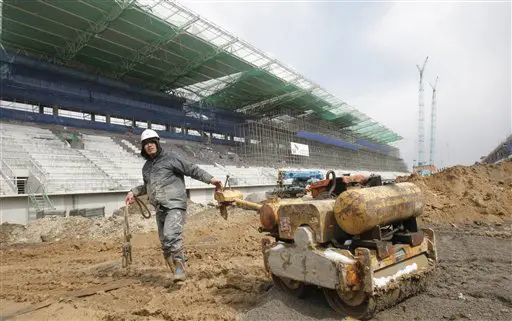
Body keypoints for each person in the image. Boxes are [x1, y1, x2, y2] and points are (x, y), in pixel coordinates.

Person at [125, 129, 222, 282]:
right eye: (146, 144)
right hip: (159, 208)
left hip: (175, 205)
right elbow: (147, 186)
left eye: (151, 142)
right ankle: (176, 273)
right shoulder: (146, 167)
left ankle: (179, 268)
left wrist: (211, 179)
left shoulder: (171, 158)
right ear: (143, 147)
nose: (149, 146)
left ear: (157, 143)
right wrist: (134, 192)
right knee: (165, 244)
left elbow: (191, 169)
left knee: (171, 235)